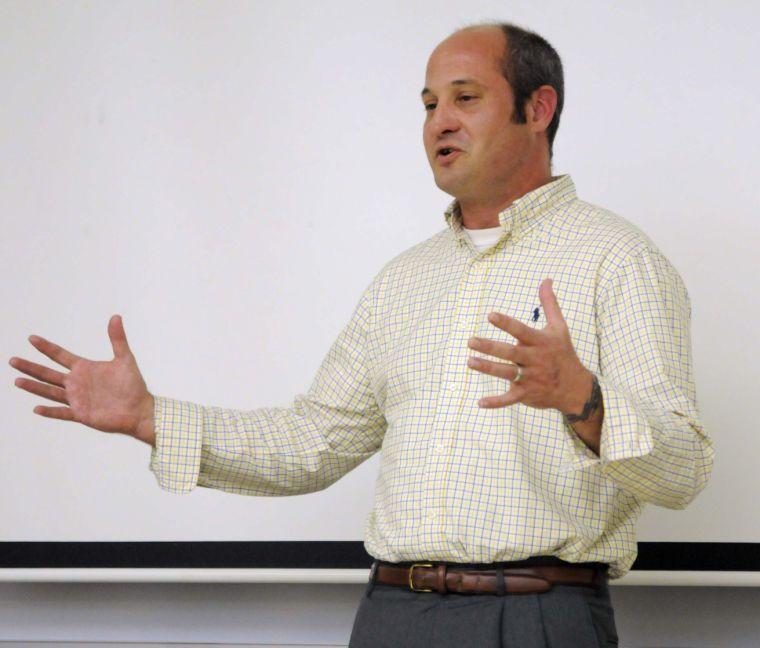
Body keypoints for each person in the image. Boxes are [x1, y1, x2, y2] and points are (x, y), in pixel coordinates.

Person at [9, 20, 713, 648]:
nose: (440, 122)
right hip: (392, 615)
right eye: (430, 104)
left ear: (539, 108)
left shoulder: (619, 261)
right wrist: (149, 418)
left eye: (465, 98)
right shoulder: (403, 281)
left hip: (537, 616)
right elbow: (312, 443)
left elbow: (685, 471)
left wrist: (582, 398)